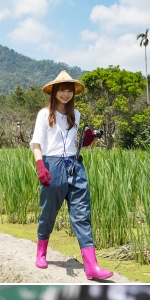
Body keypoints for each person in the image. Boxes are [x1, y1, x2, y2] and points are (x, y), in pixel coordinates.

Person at [29, 71, 110, 280]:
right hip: (52, 165)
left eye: (69, 91)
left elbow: (72, 142)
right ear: (55, 91)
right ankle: (41, 252)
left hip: (74, 165)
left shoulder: (77, 115)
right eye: (62, 90)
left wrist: (87, 140)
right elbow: (36, 144)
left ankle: (91, 266)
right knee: (48, 212)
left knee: (82, 214)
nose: (66, 94)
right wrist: (41, 166)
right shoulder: (44, 114)